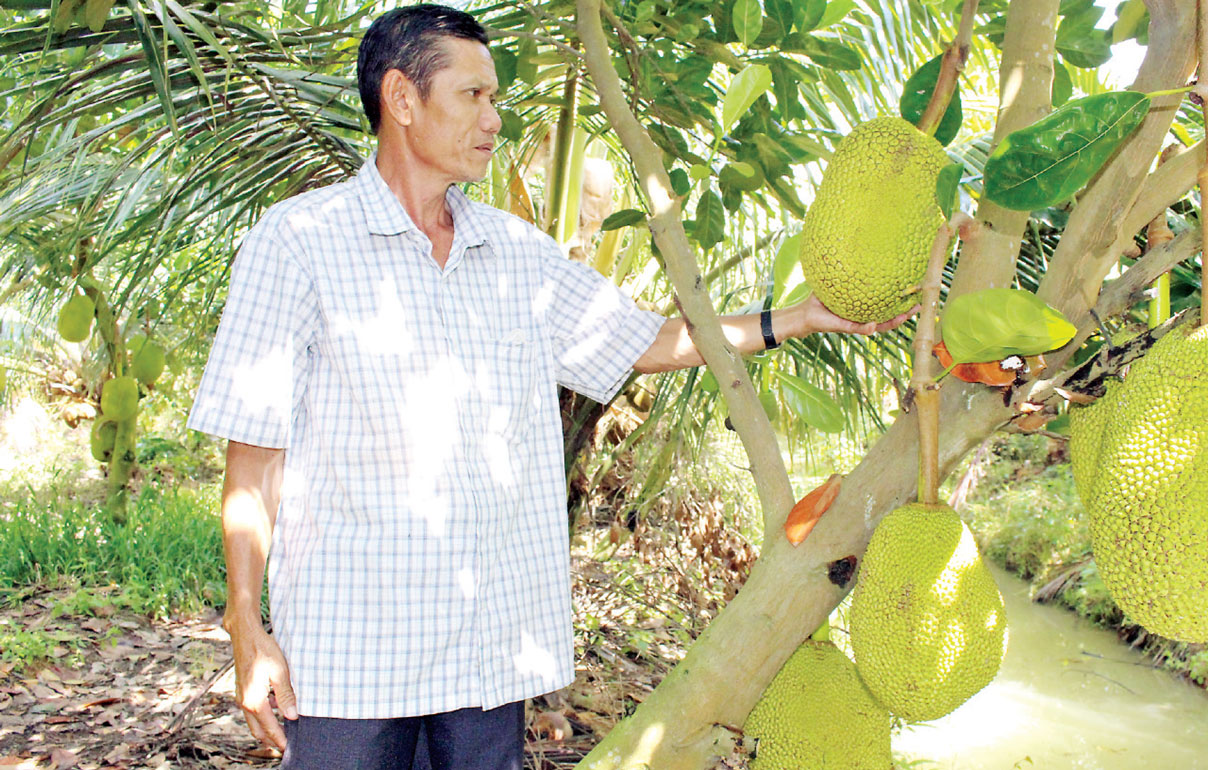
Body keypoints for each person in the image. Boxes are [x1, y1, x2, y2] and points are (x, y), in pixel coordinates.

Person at [187, 5, 910, 769]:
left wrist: (795, 317)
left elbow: (649, 340)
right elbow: (255, 455)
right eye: (474, 96)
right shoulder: (297, 243)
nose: (494, 120)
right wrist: (246, 626)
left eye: (495, 99)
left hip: (485, 654)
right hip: (350, 658)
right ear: (402, 99)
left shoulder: (516, 254)